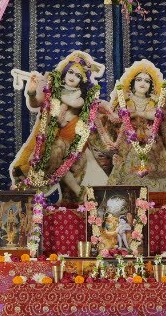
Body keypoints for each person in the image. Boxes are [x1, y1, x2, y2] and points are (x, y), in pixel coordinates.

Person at [9, 50, 107, 203]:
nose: (72, 77)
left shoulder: (80, 97)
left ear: (81, 80)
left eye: (78, 75)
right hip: (47, 136)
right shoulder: (52, 90)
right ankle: (28, 189)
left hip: (70, 141)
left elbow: (72, 102)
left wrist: (52, 88)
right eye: (70, 72)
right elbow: (36, 103)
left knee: (57, 153)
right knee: (41, 158)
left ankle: (72, 193)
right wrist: (32, 92)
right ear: (65, 73)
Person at [97, 60, 166, 191]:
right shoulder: (123, 101)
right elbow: (115, 120)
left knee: (161, 181)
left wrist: (137, 113)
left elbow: (159, 117)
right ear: (132, 83)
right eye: (139, 80)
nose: (142, 83)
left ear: (151, 86)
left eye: (147, 81)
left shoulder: (155, 101)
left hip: (154, 148)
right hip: (129, 146)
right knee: (126, 180)